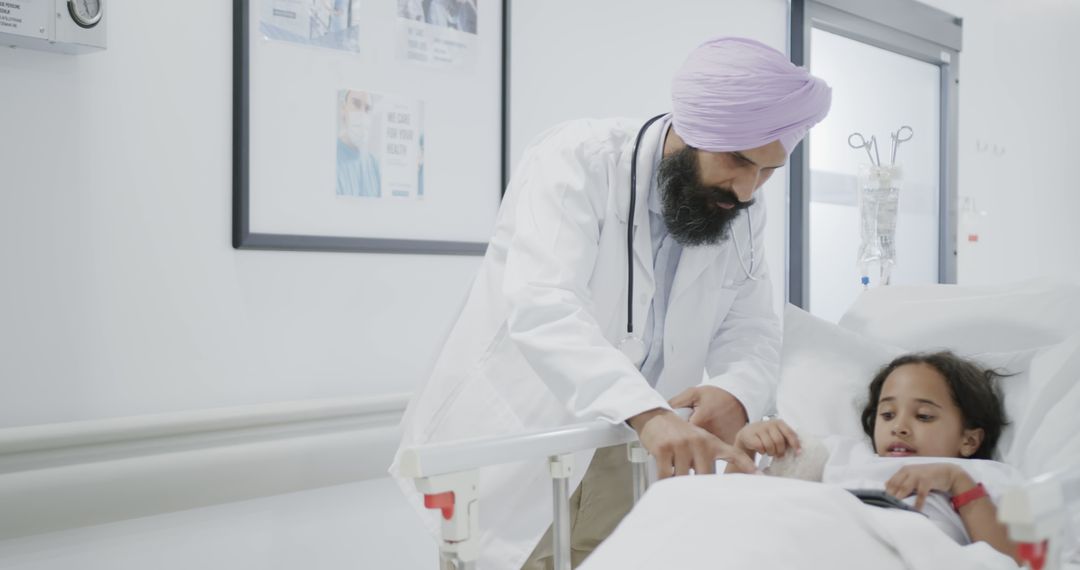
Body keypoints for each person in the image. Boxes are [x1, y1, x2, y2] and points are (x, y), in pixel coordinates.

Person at [391, 37, 831, 570]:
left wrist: (734, 391)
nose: (746, 190)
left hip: (637, 449)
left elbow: (754, 327)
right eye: (738, 160)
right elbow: (543, 304)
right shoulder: (578, 159)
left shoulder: (742, 207)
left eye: (767, 171)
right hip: (532, 435)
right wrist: (646, 411)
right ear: (692, 128)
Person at [734, 351, 1020, 563]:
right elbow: (740, 507)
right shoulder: (839, 454)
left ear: (969, 440)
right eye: (887, 414)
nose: (899, 427)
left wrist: (958, 482)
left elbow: (1019, 561)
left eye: (923, 416)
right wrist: (744, 446)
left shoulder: (987, 476)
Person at [336, 90, 381, 197]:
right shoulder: (331, 157)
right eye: (356, 104)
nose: (362, 114)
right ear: (343, 109)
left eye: (367, 109)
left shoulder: (373, 164)